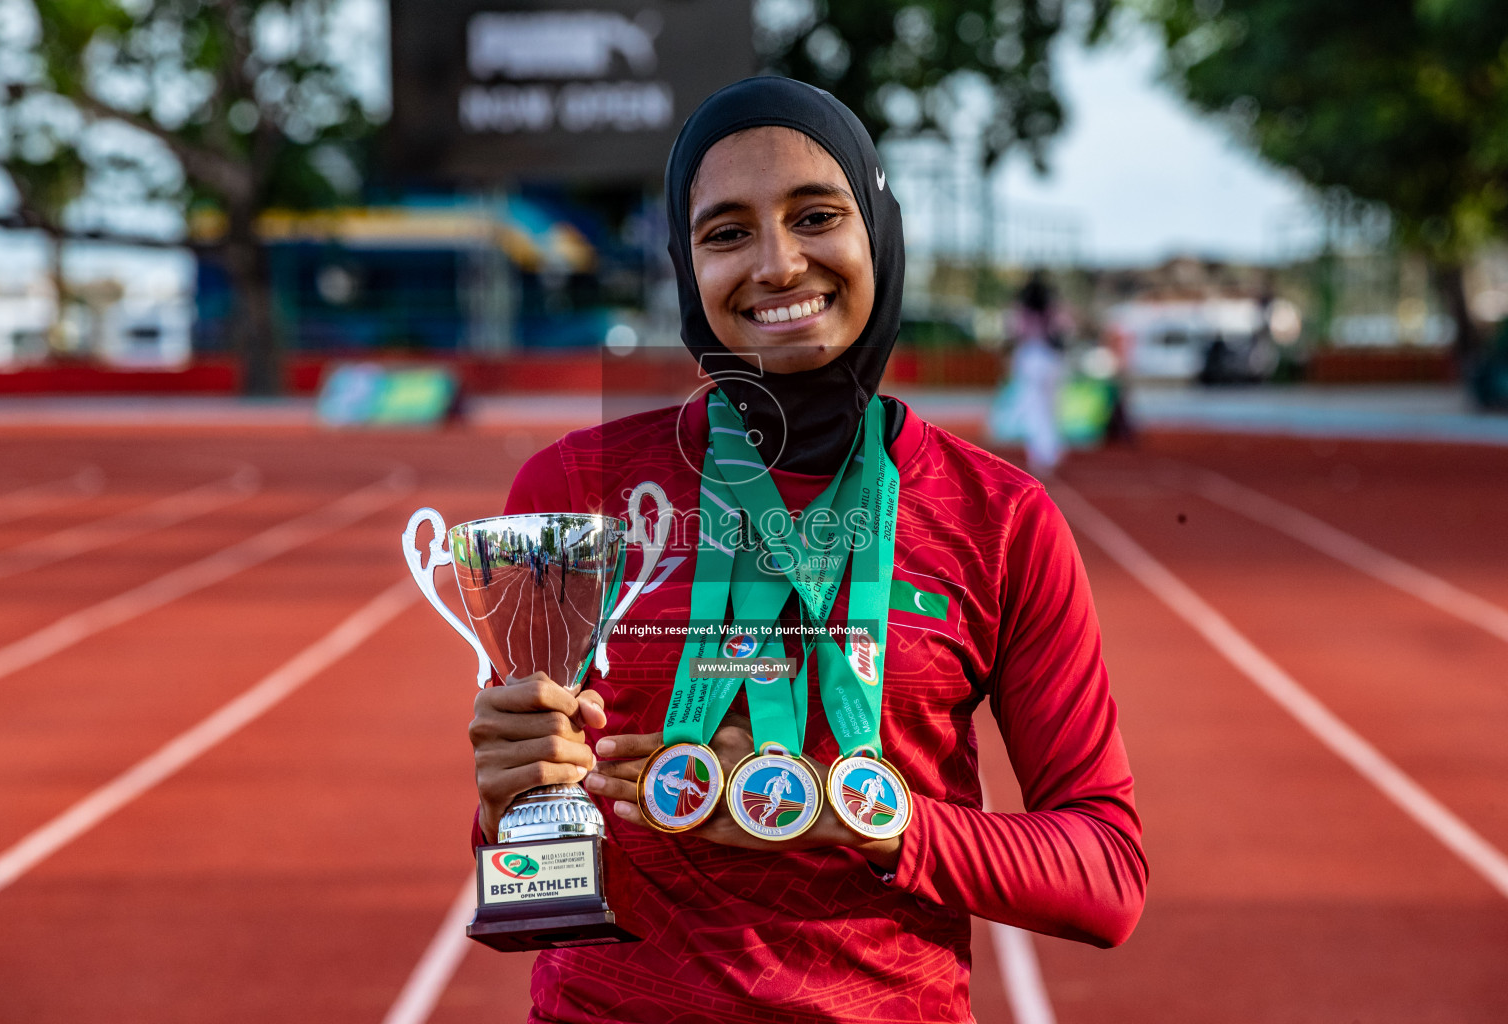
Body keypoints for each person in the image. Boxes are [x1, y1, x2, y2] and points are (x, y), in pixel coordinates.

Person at [467, 77, 1146, 1024]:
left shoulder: (1000, 519)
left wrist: (870, 817)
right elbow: (533, 908)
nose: (779, 264)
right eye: (726, 232)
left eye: (816, 214)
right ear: (685, 267)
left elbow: (1107, 876)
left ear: (879, 230)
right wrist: (509, 807)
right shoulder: (577, 495)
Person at [1007, 271, 1069, 477]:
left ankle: (1040, 454)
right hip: (1049, 359)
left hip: (1029, 357)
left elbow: (1014, 333)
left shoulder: (1021, 309)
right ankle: (1050, 451)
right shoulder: (1052, 309)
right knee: (1050, 407)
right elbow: (1063, 332)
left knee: (1034, 407)